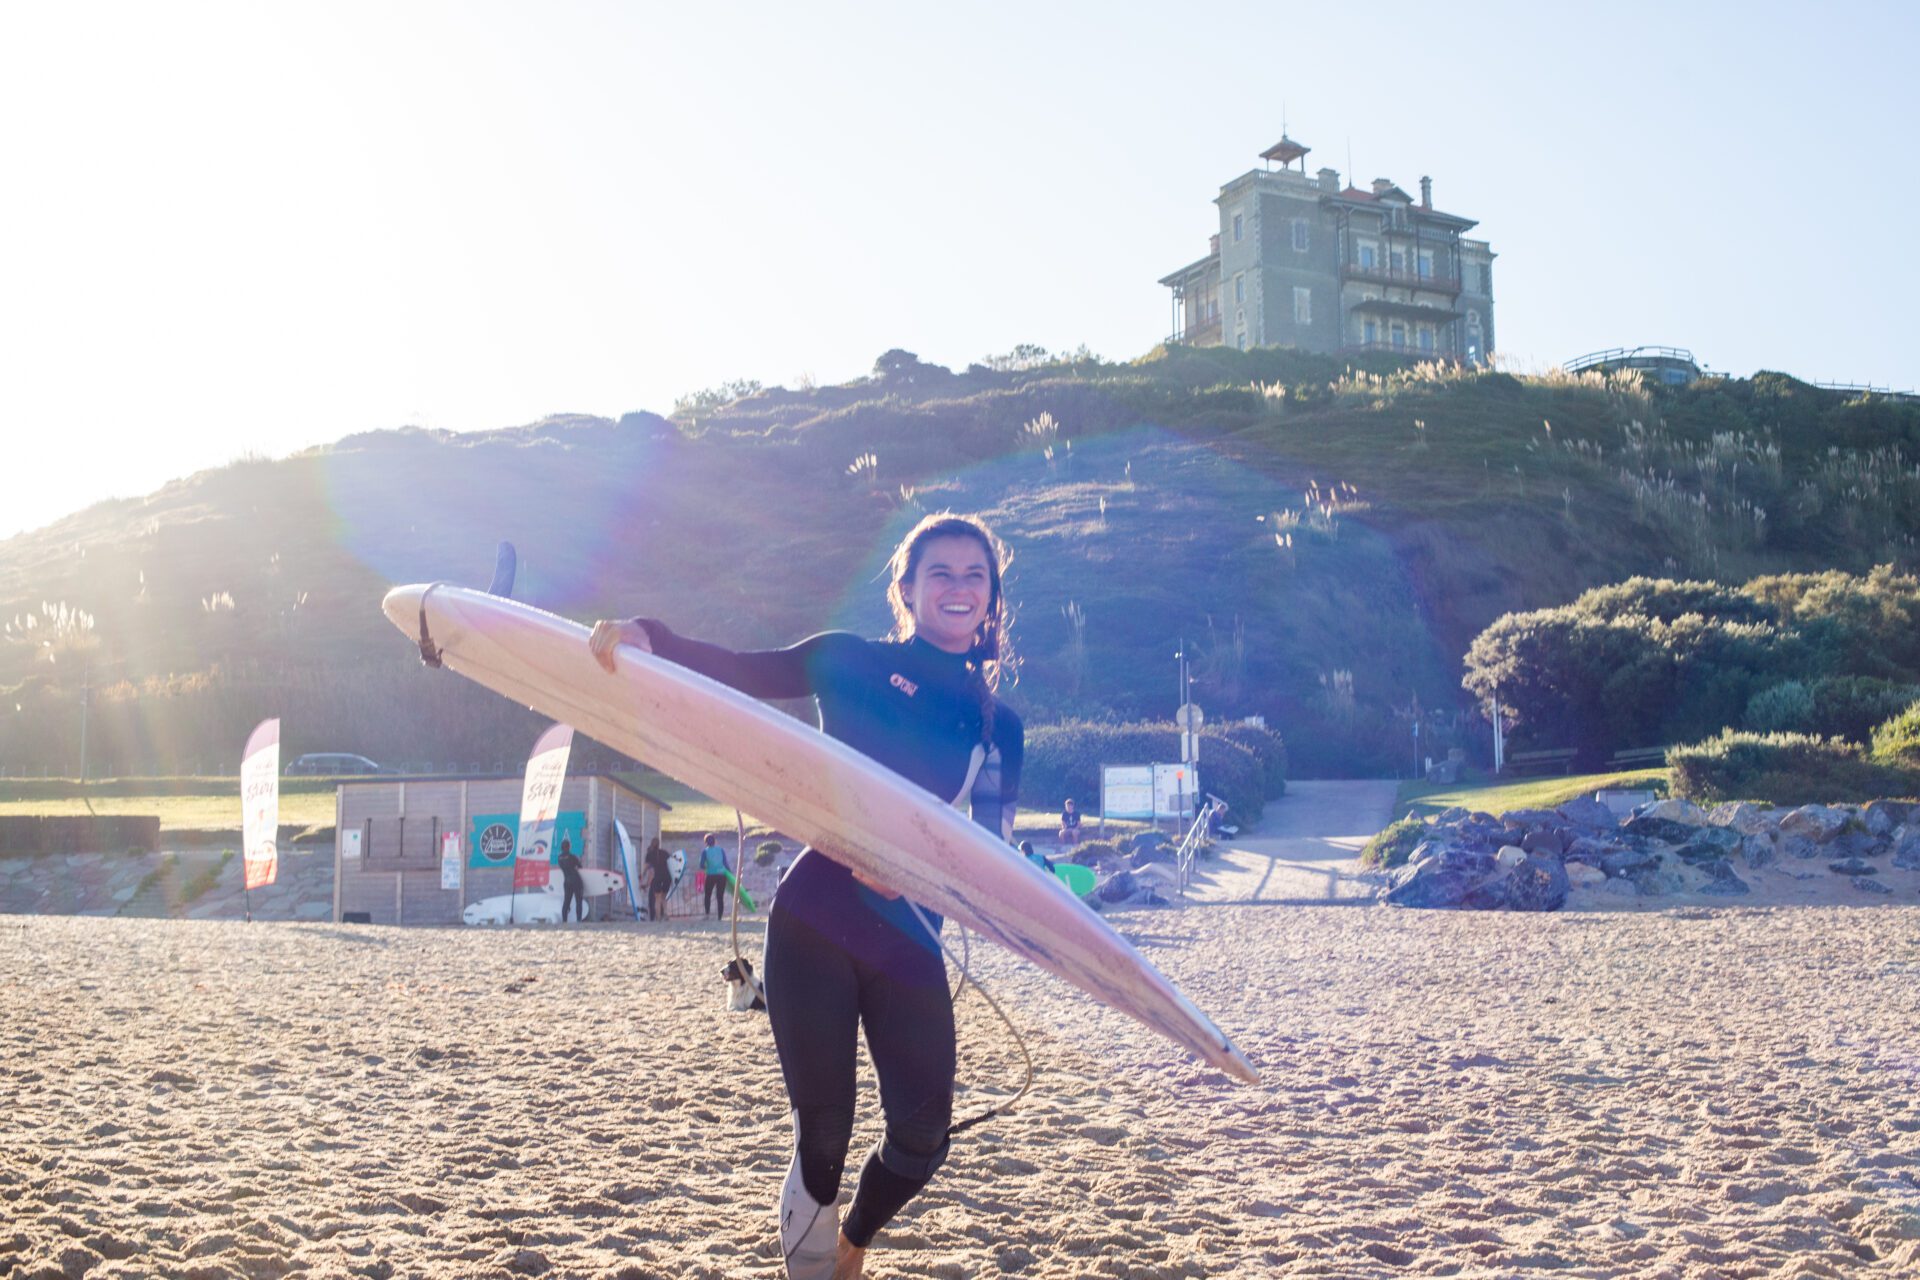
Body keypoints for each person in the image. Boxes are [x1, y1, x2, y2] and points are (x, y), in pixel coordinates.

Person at [589, 512, 1022, 1280]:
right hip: (816, 920)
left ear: (991, 595)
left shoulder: (1000, 727)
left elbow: (988, 857)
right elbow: (738, 671)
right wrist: (649, 635)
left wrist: (922, 877)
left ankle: (852, 1241)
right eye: (941, 573)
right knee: (824, 1134)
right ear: (907, 589)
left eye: (974, 575)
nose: (958, 588)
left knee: (923, 1135)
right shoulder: (850, 660)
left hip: (910, 937)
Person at [700, 832, 733, 919]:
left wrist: (708, 867)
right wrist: (730, 874)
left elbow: (701, 865)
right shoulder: (721, 850)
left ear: (705, 842)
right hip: (721, 875)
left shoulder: (705, 851)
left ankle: (707, 915)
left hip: (710, 875)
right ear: (715, 841)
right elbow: (725, 864)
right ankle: (720, 917)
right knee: (720, 897)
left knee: (708, 895)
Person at [556, 837, 587, 923]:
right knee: (578, 901)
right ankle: (578, 920)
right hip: (576, 880)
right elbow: (580, 866)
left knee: (566, 902)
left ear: (562, 847)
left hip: (566, 881)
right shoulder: (572, 857)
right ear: (569, 847)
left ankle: (564, 921)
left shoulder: (559, 858)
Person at [644, 835, 673, 922]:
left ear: (651, 844)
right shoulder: (664, 853)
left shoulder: (649, 855)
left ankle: (658, 917)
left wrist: (642, 876)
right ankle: (666, 914)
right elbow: (671, 864)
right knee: (664, 897)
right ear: (659, 844)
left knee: (657, 898)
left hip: (658, 877)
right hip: (667, 877)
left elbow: (646, 868)